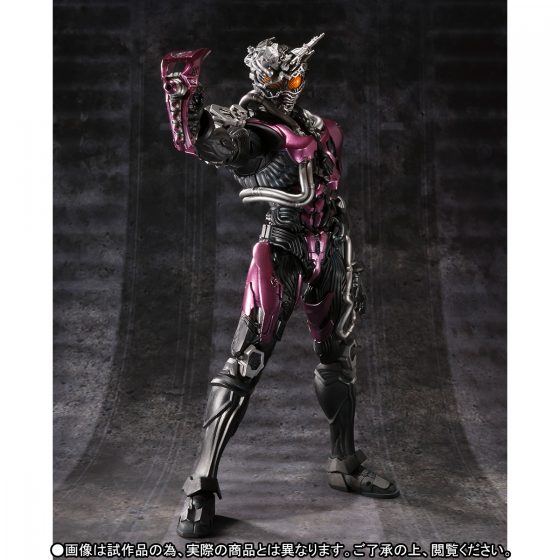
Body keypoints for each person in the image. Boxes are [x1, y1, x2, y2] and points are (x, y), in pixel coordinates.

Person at [161, 34, 399, 539]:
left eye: (293, 75)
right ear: (260, 78)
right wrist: (184, 92)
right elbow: (202, 140)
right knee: (245, 360)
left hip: (330, 245)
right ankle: (200, 484)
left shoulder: (320, 126)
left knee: (339, 356)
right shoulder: (255, 129)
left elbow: (331, 198)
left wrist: (349, 262)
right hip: (283, 246)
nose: (288, 84)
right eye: (278, 77)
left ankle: (344, 461)